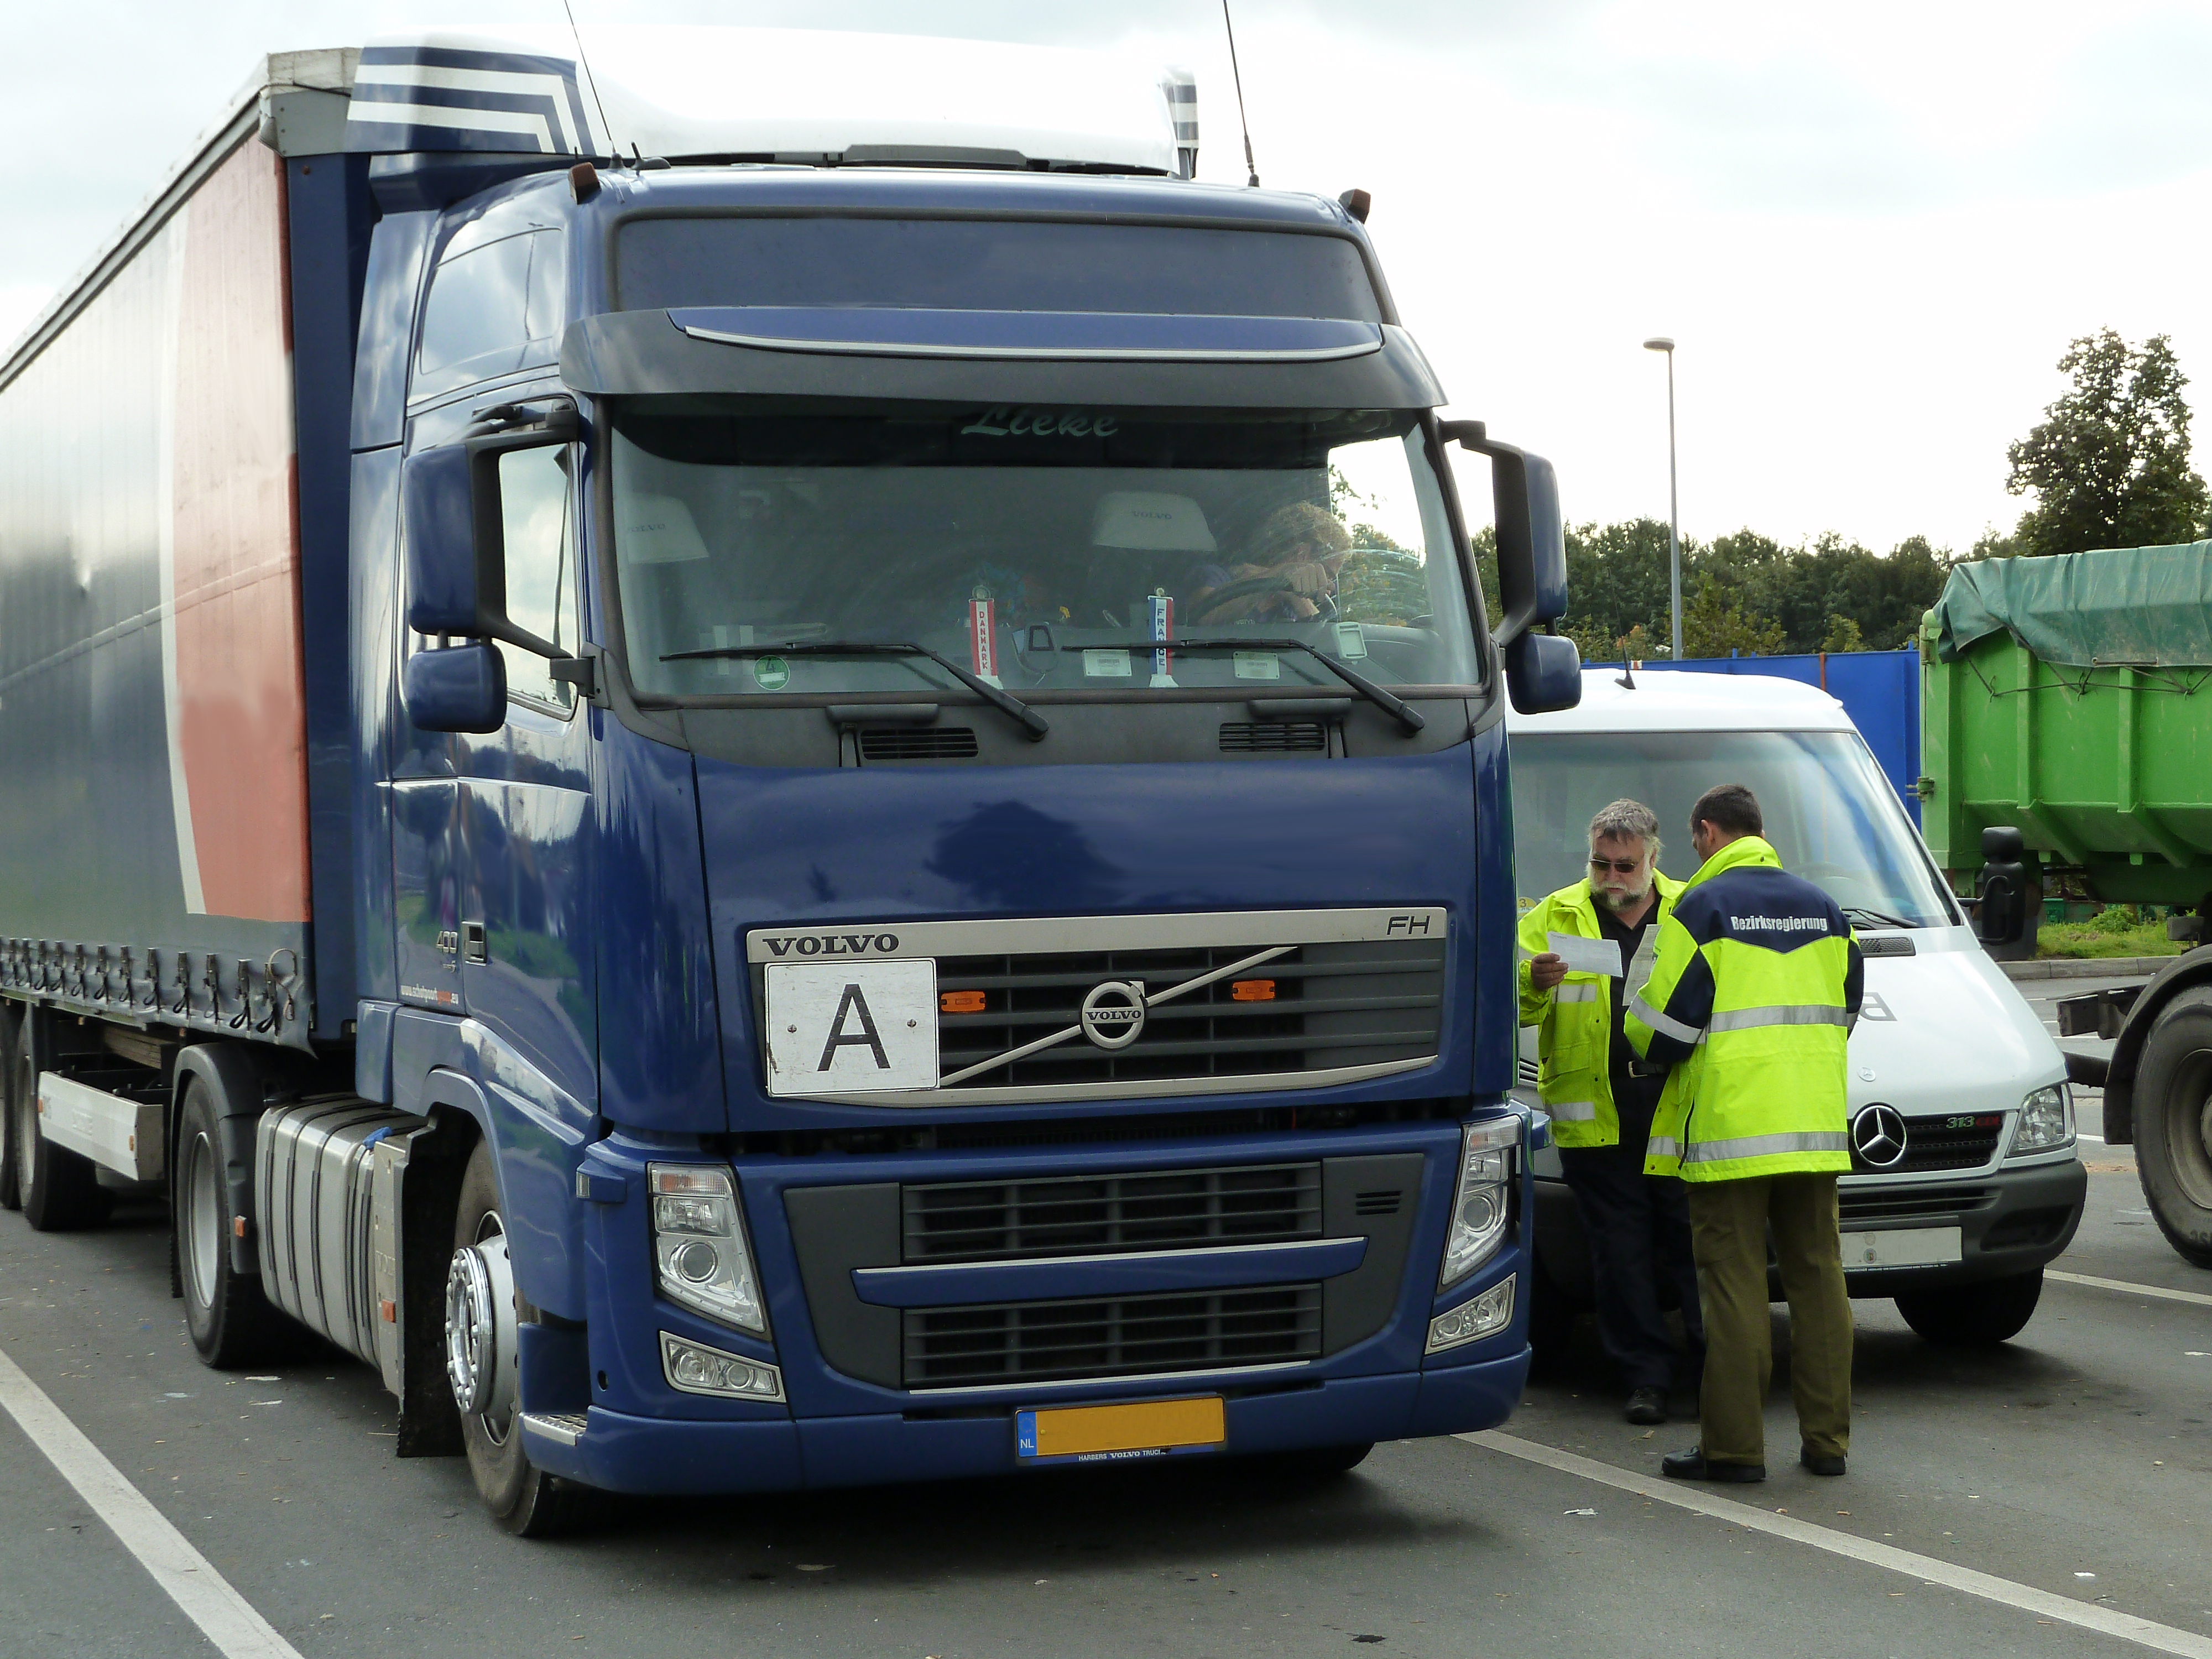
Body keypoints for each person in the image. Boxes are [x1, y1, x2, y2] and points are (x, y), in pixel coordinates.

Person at [1625, 783, 1864, 1484]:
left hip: (1732, 1129)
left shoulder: (1703, 905)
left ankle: (1732, 1449)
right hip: (1813, 1124)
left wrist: (1639, 1040)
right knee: (1819, 1279)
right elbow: (1843, 1010)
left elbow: (1664, 1025)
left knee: (1732, 1288)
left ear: (1706, 833)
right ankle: (1827, 1443)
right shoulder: (1824, 908)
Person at [1519, 799, 1703, 1425]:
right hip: (1597, 1107)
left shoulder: (1690, 908)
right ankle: (1645, 1377)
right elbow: (1508, 999)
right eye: (1601, 864)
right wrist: (1531, 982)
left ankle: (1714, 1371)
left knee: (1693, 1240)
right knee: (1618, 1251)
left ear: (1653, 859)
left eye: (1626, 866)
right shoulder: (1557, 914)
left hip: (1676, 1101)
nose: (1612, 877)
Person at [1186, 500, 1350, 624]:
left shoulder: (1290, 607)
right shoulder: (1217, 577)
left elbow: (1321, 652)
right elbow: (1201, 617)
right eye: (1327, 574)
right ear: (1302, 555)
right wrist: (1276, 578)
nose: (1330, 586)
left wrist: (1297, 599)